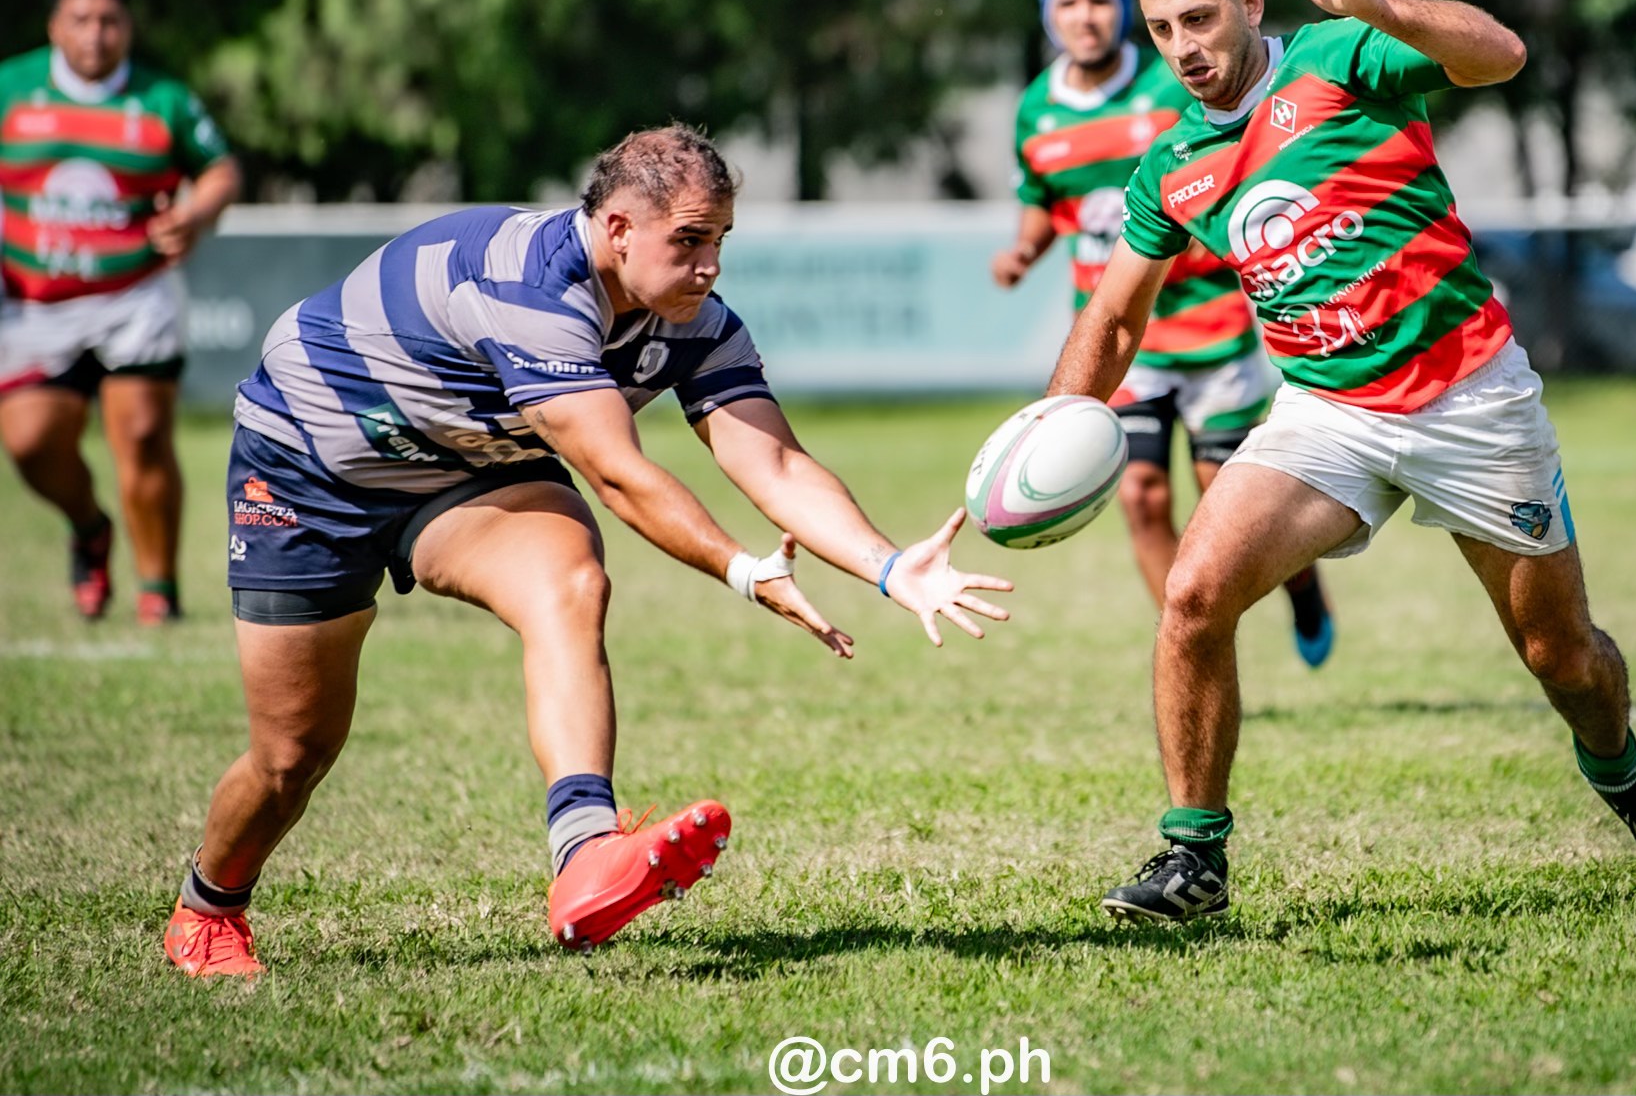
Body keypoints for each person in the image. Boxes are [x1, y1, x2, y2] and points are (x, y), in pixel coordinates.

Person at [163, 124, 1011, 977]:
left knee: (572, 580)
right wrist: (744, 570)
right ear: (617, 229)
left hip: (465, 469)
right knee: (292, 753)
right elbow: (615, 473)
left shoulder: (696, 323)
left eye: (718, 239)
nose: (710, 264)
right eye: (687, 240)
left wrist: (891, 566)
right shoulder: (530, 285)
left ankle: (584, 852)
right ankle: (210, 905)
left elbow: (775, 461)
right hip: (311, 468)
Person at [1044, 0, 1636, 923]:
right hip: (1325, 412)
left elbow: (1501, 57)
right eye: (1163, 28)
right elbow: (1113, 312)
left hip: (1469, 396)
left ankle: (1620, 772)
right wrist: (1054, 426)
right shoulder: (1172, 164)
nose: (1184, 46)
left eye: (1201, 18)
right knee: (1191, 597)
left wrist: (1383, 6)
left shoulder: (1338, 53)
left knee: (1559, 657)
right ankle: (1194, 858)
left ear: (1250, 5)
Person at [992, 0, 1334, 665]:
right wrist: (1023, 250)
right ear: (1047, 16)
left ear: (1122, 10)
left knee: (1228, 499)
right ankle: (1193, 647)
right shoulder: (1036, 110)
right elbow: (1041, 199)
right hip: (1128, 337)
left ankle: (1301, 587)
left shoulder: (1175, 80)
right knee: (1141, 494)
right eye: (1066, 4)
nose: (1082, 18)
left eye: (1097, 0)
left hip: (1211, 325)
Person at [0, 0, 242, 625]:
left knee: (140, 433)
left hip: (134, 294)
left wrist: (196, 213)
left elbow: (221, 170)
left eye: (110, 21)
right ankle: (88, 525)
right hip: (35, 302)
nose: (96, 34)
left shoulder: (162, 98)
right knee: (28, 441)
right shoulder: (12, 90)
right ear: (54, 25)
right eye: (80, 19)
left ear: (128, 27)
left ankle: (158, 591)